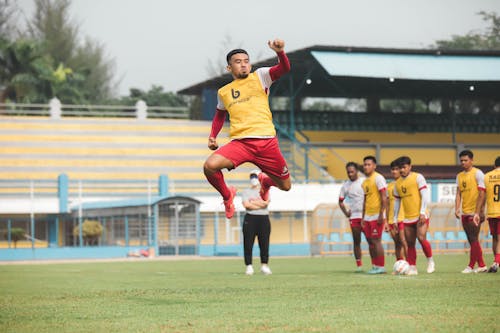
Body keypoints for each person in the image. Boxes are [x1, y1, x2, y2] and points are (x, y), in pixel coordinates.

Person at [203, 39, 292, 219]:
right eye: (238, 62)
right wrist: (213, 136)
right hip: (241, 144)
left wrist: (280, 52)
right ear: (229, 68)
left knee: (286, 186)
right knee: (209, 166)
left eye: (246, 61)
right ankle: (228, 196)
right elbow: (220, 114)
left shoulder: (260, 76)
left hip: (267, 143)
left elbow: (283, 69)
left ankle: (265, 182)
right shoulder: (224, 91)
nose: (243, 65)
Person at [393, 156, 435, 275]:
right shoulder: (397, 184)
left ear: (410, 167)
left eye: (404, 167)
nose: (402, 170)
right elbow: (397, 202)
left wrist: (422, 212)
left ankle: (430, 261)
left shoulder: (418, 177)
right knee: (410, 243)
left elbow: (425, 195)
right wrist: (395, 219)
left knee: (421, 238)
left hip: (420, 215)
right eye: (400, 168)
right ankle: (412, 267)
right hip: (407, 217)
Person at [455, 150, 487, 273]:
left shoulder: (478, 174)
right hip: (465, 212)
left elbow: (482, 193)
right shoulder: (459, 176)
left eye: (465, 160)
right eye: (461, 160)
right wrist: (457, 208)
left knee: (473, 238)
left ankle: (470, 265)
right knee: (471, 239)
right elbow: (458, 193)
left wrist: (478, 212)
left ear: (472, 160)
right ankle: (482, 265)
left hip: (474, 213)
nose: (463, 162)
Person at [241, 170, 272, 275]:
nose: (254, 179)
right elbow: (246, 205)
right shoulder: (246, 191)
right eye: (252, 177)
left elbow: (266, 203)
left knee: (264, 243)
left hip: (263, 218)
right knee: (248, 243)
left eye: (256, 176)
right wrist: (258, 204)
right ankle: (249, 266)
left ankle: (264, 265)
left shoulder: (265, 190)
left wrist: (253, 203)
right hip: (250, 218)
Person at [361, 156, 388, 274]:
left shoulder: (378, 178)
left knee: (376, 241)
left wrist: (382, 214)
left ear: (374, 166)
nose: (366, 167)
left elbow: (384, 197)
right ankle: (375, 265)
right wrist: (363, 217)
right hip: (367, 216)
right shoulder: (365, 182)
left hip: (377, 215)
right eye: (365, 165)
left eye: (369, 164)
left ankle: (381, 266)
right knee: (370, 242)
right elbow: (365, 200)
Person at [338, 162, 365, 272]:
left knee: (372, 241)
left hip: (366, 216)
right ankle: (359, 265)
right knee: (356, 241)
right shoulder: (345, 185)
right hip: (354, 217)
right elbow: (340, 201)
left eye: (352, 172)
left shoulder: (364, 182)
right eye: (348, 172)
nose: (350, 174)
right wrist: (346, 213)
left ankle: (376, 265)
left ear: (357, 171)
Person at [477, 156, 500, 273]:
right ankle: (497, 262)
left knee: (495, 238)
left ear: (494, 165)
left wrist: (480, 211)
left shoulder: (487, 176)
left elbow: (482, 195)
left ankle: (495, 261)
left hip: (491, 212)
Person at [387, 160, 407, 261]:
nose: (394, 171)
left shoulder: (405, 183)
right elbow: (387, 204)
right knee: (397, 244)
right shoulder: (389, 186)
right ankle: (399, 264)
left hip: (403, 218)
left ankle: (410, 265)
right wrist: (386, 221)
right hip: (391, 219)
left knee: (404, 241)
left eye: (396, 169)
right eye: (393, 169)